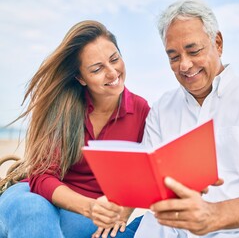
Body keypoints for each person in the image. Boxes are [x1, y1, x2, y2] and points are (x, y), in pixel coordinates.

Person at [134, 0, 239, 237]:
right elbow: (149, 182)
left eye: (194, 51)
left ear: (217, 43)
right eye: (174, 56)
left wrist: (214, 215)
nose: (185, 65)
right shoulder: (161, 109)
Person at [0, 20, 150, 238]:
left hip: (84, 219)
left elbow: (145, 174)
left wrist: (122, 212)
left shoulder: (141, 110)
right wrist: (90, 207)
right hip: (34, 197)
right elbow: (41, 178)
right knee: (34, 210)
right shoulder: (64, 107)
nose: (112, 72)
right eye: (97, 69)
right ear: (80, 78)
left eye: (115, 59)